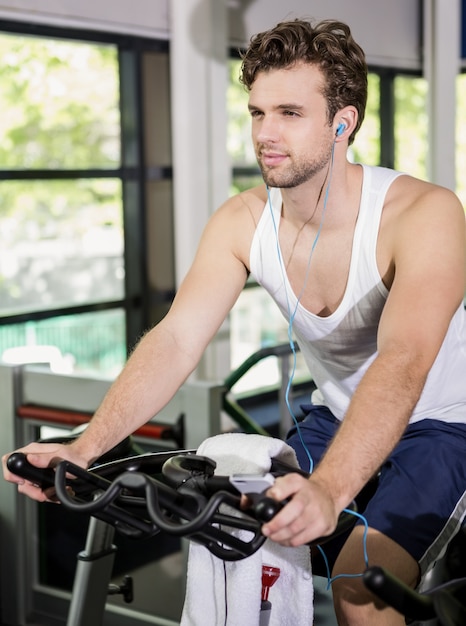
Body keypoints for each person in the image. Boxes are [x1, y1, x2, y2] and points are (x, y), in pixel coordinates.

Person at [3, 18, 466, 625]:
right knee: (237, 530)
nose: (265, 134)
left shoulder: (424, 213)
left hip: (440, 425)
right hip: (338, 418)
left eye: (290, 114)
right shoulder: (241, 221)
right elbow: (174, 338)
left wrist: (329, 490)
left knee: (359, 596)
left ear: (342, 122)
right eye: (257, 113)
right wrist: (86, 447)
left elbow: (403, 360)